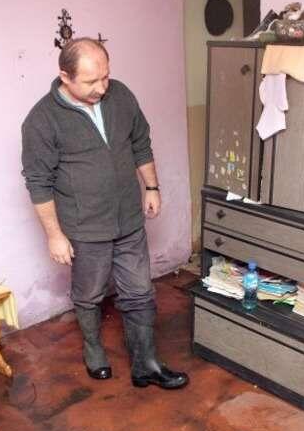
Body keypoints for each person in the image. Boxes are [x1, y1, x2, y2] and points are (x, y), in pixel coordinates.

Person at [21, 37, 189, 390]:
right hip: (85, 227)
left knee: (140, 292)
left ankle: (146, 364)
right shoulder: (41, 120)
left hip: (128, 218)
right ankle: (94, 349)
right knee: (89, 294)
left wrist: (152, 187)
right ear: (65, 77)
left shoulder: (121, 95)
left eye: (105, 77)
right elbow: (38, 182)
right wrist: (55, 235)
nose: (101, 87)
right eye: (91, 81)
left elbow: (140, 142)